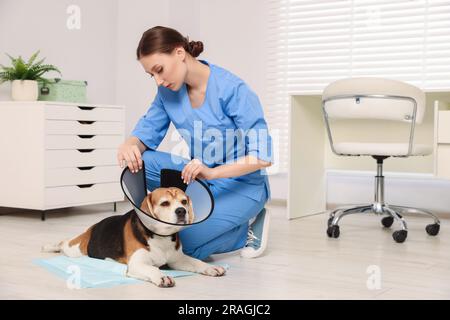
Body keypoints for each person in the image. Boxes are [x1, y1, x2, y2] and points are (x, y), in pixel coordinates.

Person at [117, 26, 273, 260]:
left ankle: (245, 228)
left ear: (179, 53)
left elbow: (263, 156)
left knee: (181, 246)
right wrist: (129, 145)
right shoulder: (167, 93)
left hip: (242, 185)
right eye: (152, 75)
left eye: (159, 70)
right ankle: (170, 217)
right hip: (198, 176)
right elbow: (146, 131)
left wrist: (212, 173)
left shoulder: (233, 90)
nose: (159, 81)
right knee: (140, 162)